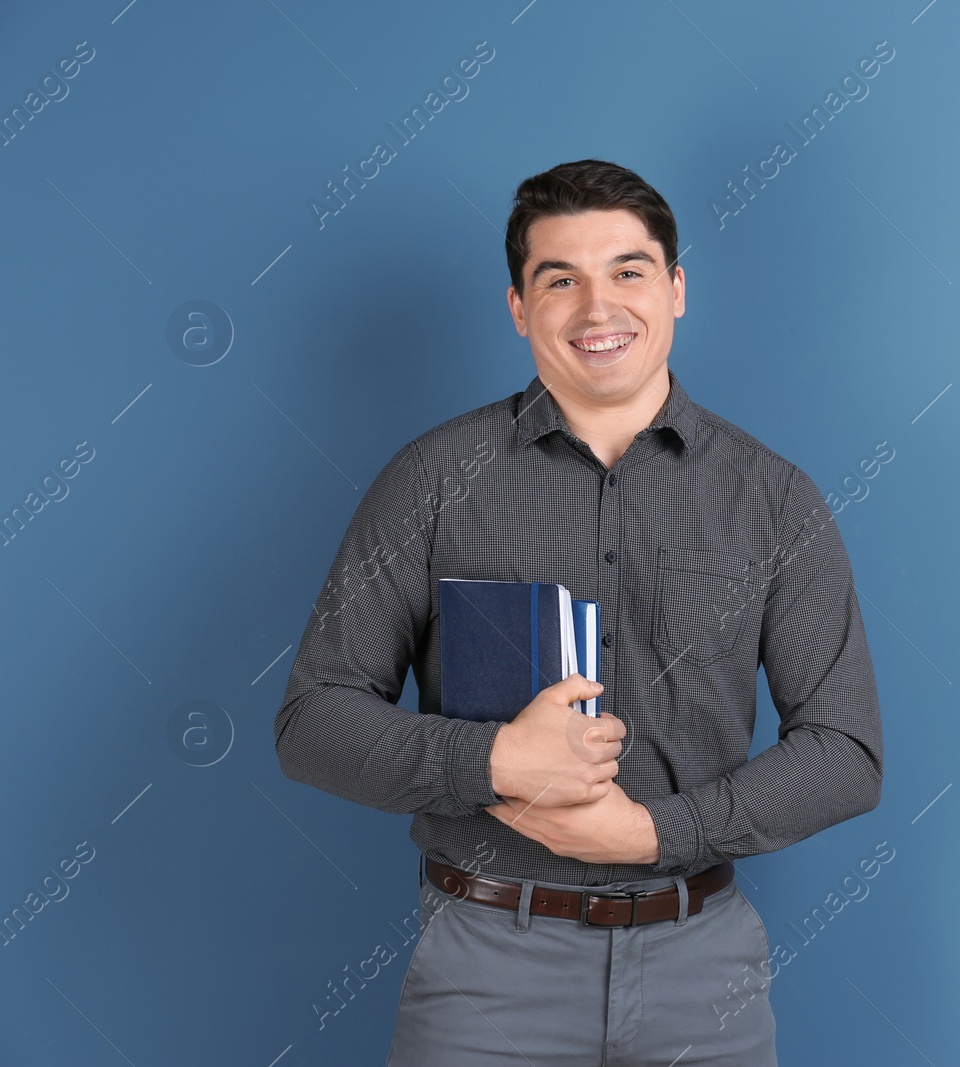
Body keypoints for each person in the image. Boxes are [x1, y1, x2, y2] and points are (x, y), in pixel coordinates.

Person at [274, 158, 884, 1066]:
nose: (598, 309)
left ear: (676, 289)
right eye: (560, 279)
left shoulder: (775, 499)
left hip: (701, 970)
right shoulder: (432, 481)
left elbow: (846, 754)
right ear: (519, 306)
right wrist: (492, 760)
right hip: (486, 969)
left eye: (628, 272)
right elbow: (311, 720)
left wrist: (653, 832)